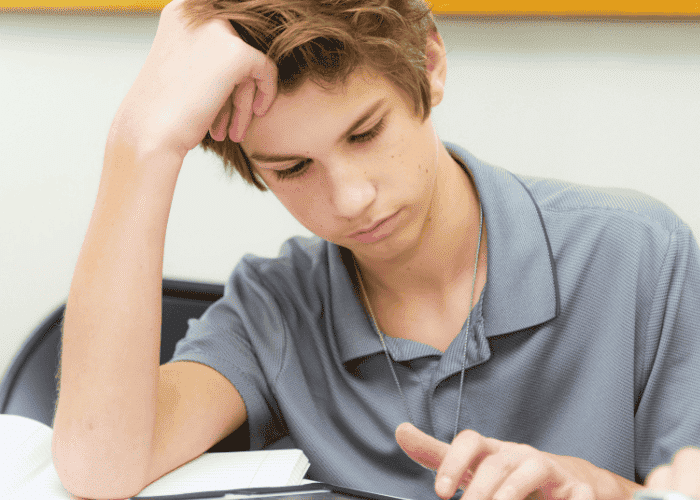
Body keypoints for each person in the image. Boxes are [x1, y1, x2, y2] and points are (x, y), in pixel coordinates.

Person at [50, 0, 700, 499]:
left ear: (432, 63)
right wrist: (140, 142)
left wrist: (605, 488)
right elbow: (101, 463)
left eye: (365, 132)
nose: (351, 198)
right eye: (293, 168)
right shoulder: (274, 310)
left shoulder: (636, 253)